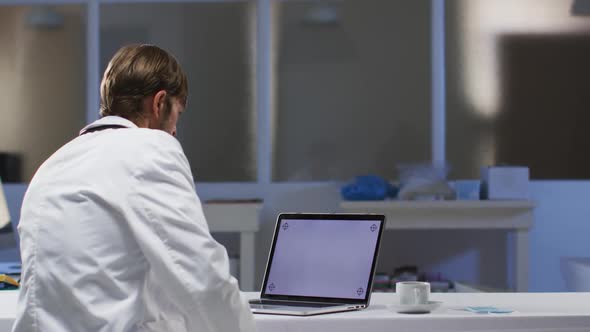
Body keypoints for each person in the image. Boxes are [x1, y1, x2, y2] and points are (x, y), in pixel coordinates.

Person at [12, 44, 256, 332]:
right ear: (159, 103)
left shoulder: (53, 164)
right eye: (177, 112)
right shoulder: (151, 149)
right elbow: (199, 278)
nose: (175, 129)